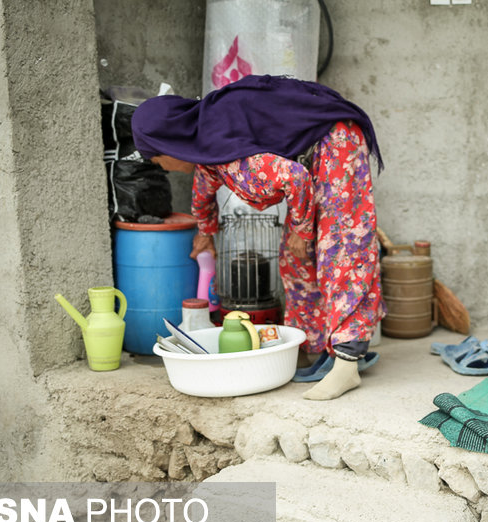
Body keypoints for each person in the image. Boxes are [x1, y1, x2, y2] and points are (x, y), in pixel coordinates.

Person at [131, 75, 385, 400]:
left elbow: (294, 177)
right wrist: (206, 233)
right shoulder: (207, 145)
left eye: (156, 158)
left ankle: (348, 361)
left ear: (168, 144)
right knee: (294, 259)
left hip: (337, 141)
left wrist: (301, 229)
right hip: (318, 149)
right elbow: (203, 193)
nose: (161, 166)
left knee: (342, 249)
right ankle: (326, 349)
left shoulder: (227, 152)